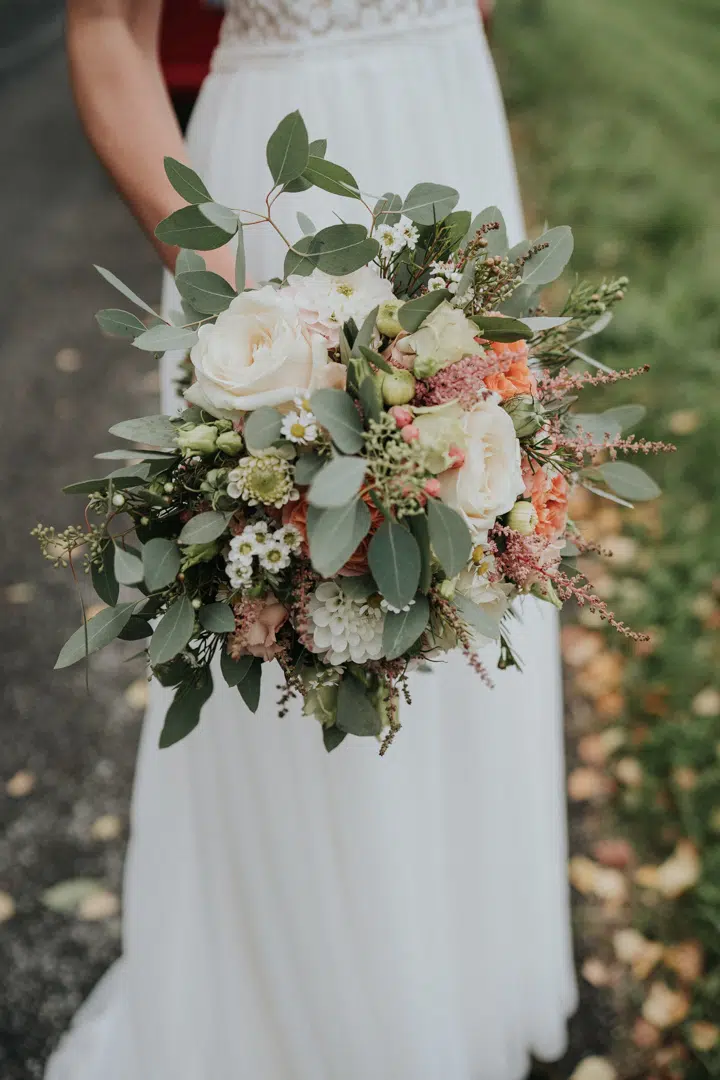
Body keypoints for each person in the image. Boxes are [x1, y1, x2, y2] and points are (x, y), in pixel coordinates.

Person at [50, 2, 576, 1077]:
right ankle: (306, 1025)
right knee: (304, 608)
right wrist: (243, 298)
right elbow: (108, 31)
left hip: (450, 135)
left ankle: (448, 997)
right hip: (276, 218)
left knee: (474, 587)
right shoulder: (255, 266)